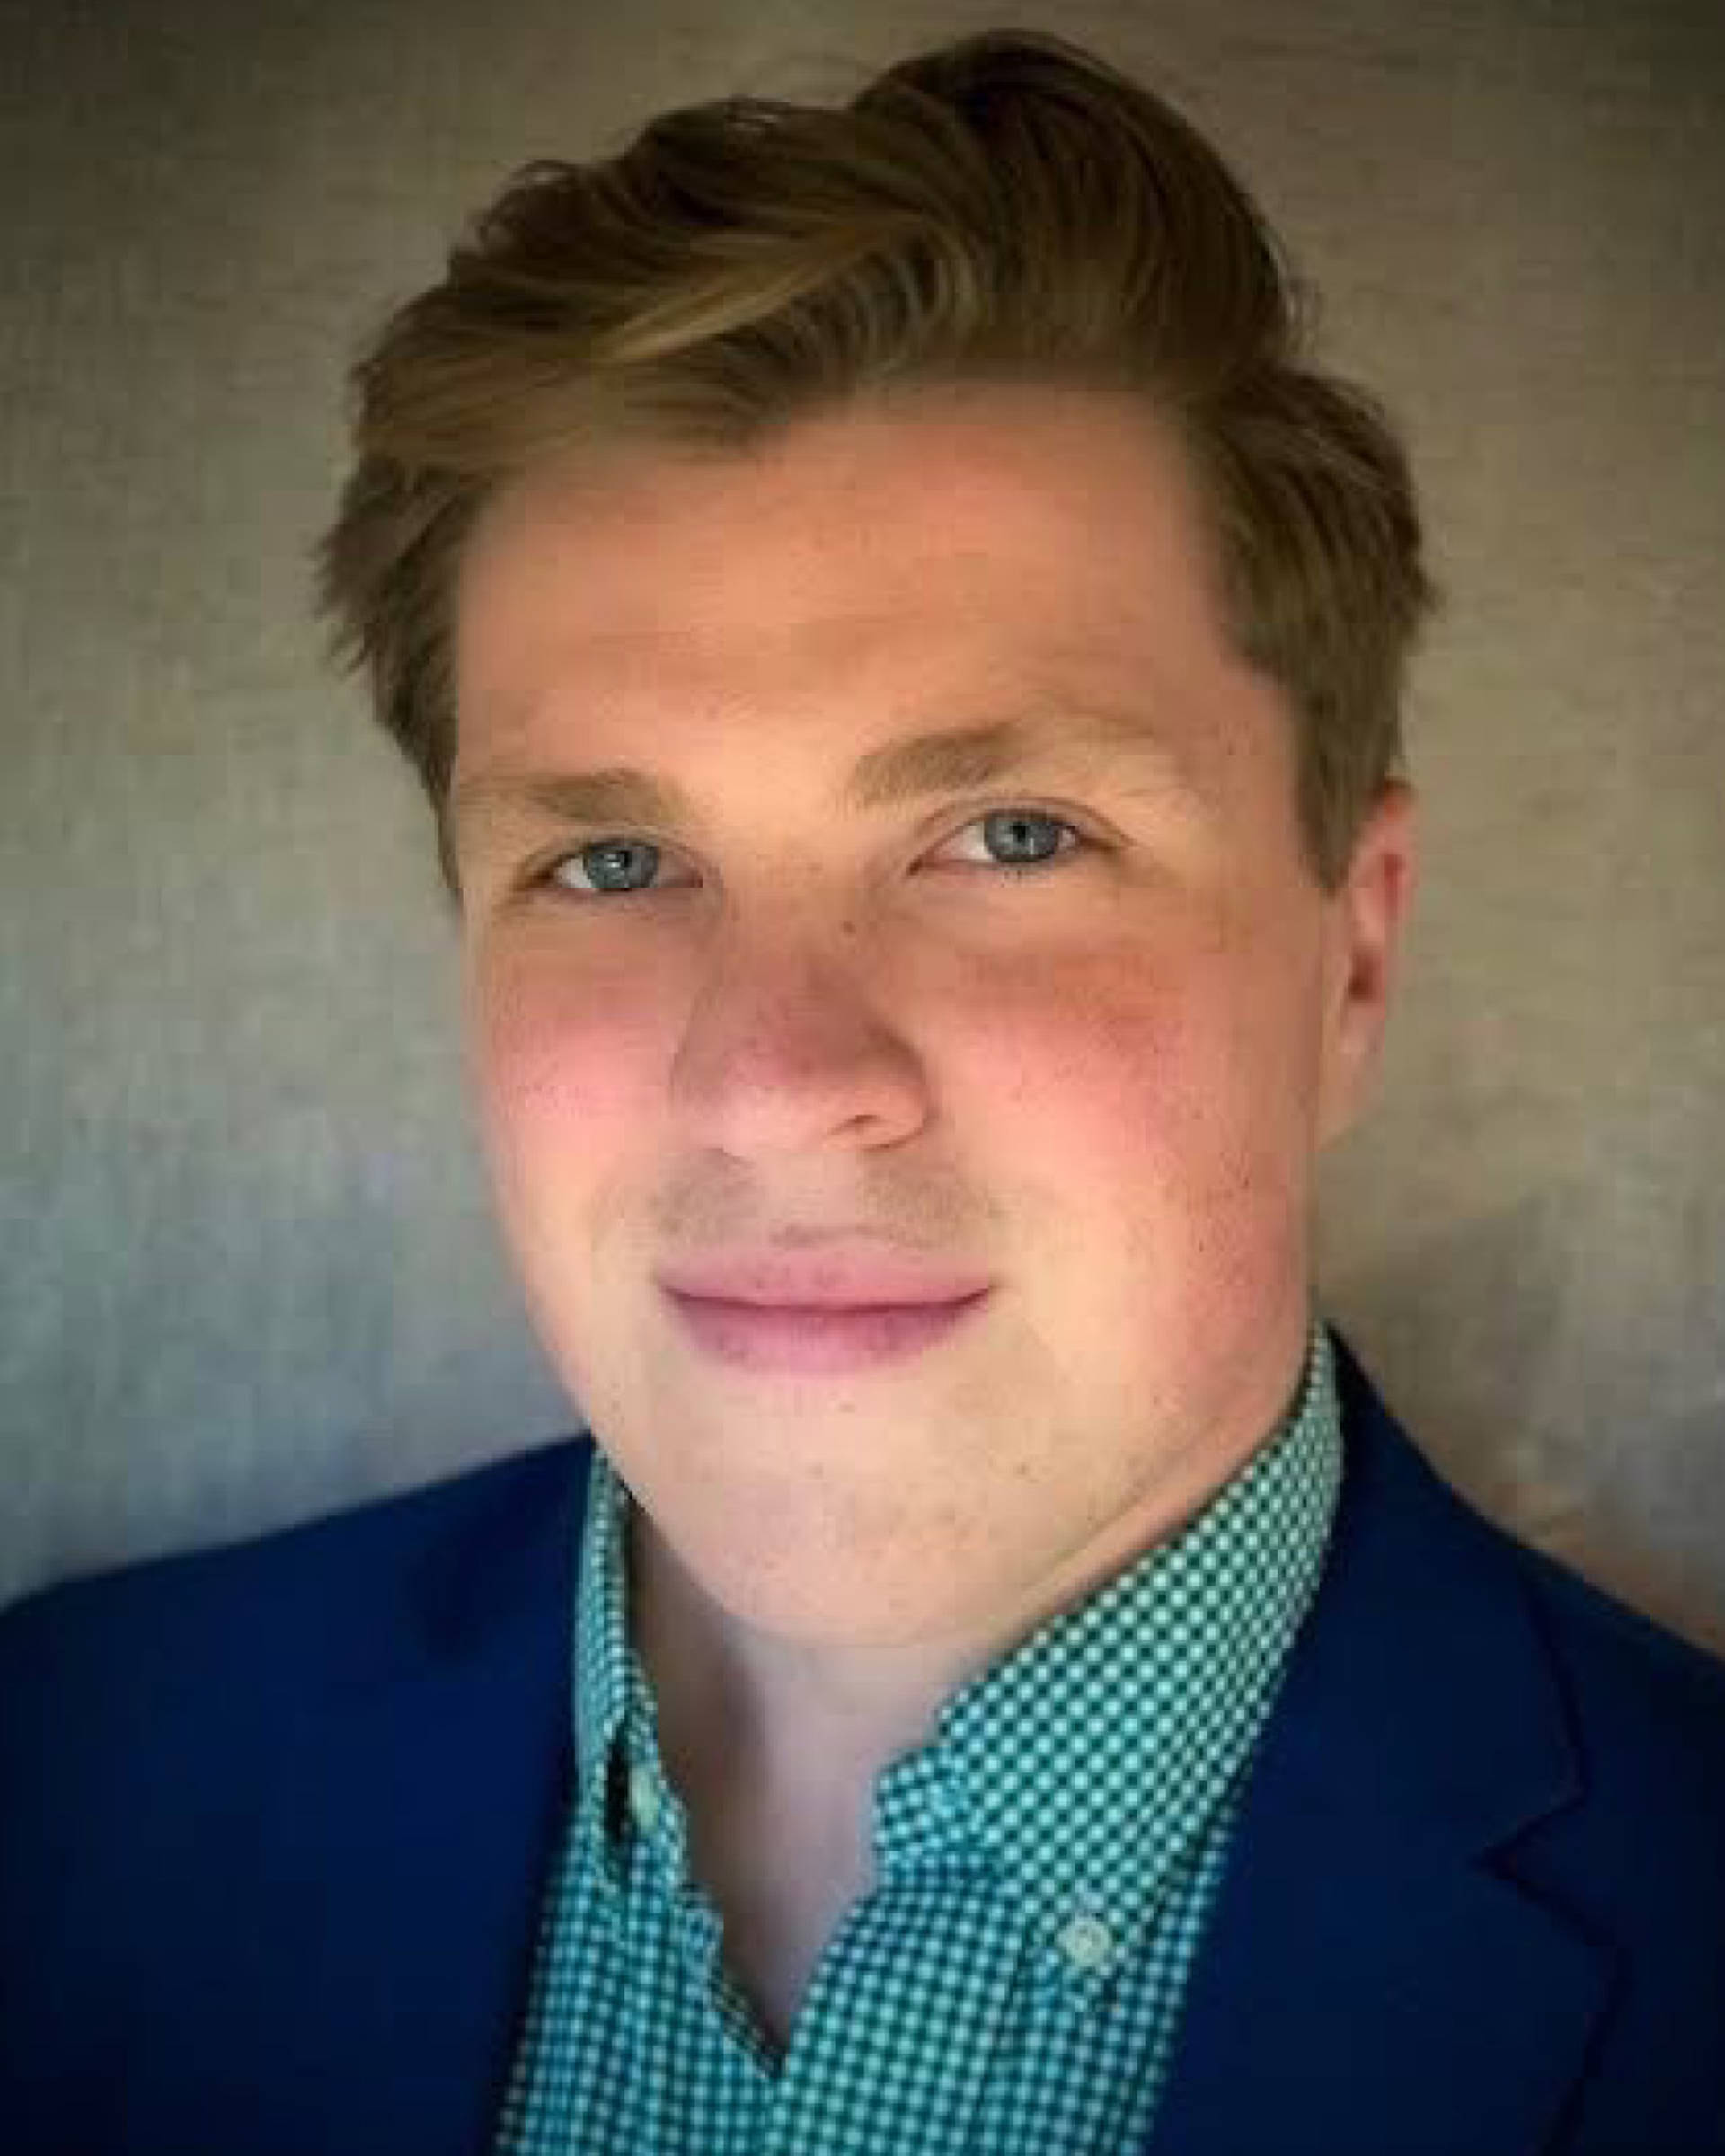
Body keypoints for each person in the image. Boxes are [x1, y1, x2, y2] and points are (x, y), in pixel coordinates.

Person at [3, 25, 1721, 2155]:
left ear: (1351, 955)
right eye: (613, 862)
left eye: (1009, 834)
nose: (778, 1082)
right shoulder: (57, 1772)